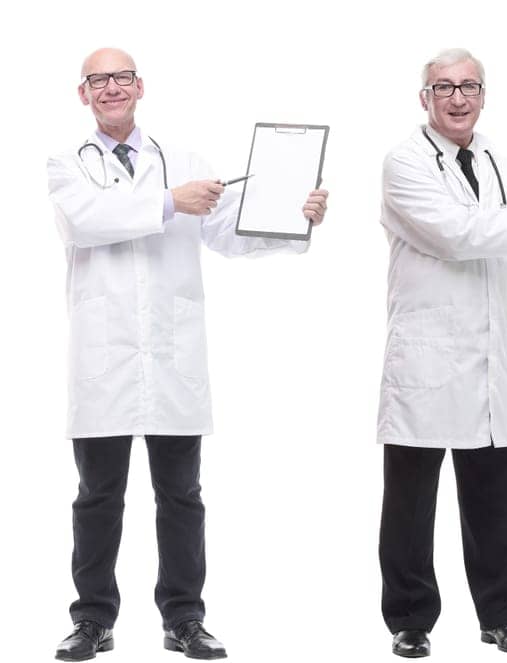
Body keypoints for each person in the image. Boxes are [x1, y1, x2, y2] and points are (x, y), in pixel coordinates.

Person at [46, 48, 329, 662]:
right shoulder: (67, 164)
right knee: (98, 496)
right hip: (104, 359)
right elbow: (87, 220)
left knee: (182, 495)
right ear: (83, 94)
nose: (112, 87)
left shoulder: (186, 161)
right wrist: (171, 201)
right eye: (99, 79)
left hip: (171, 357)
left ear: (140, 86)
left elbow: (229, 232)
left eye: (122, 77)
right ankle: (92, 618)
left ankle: (184, 619)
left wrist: (294, 220)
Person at [375, 47, 507, 659]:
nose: (458, 97)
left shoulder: (496, 158)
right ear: (425, 98)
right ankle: (410, 620)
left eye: (469, 86)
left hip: (490, 358)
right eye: (443, 87)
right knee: (411, 504)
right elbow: (455, 234)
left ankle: (502, 616)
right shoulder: (403, 163)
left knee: (497, 500)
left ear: (483, 94)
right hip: (426, 358)